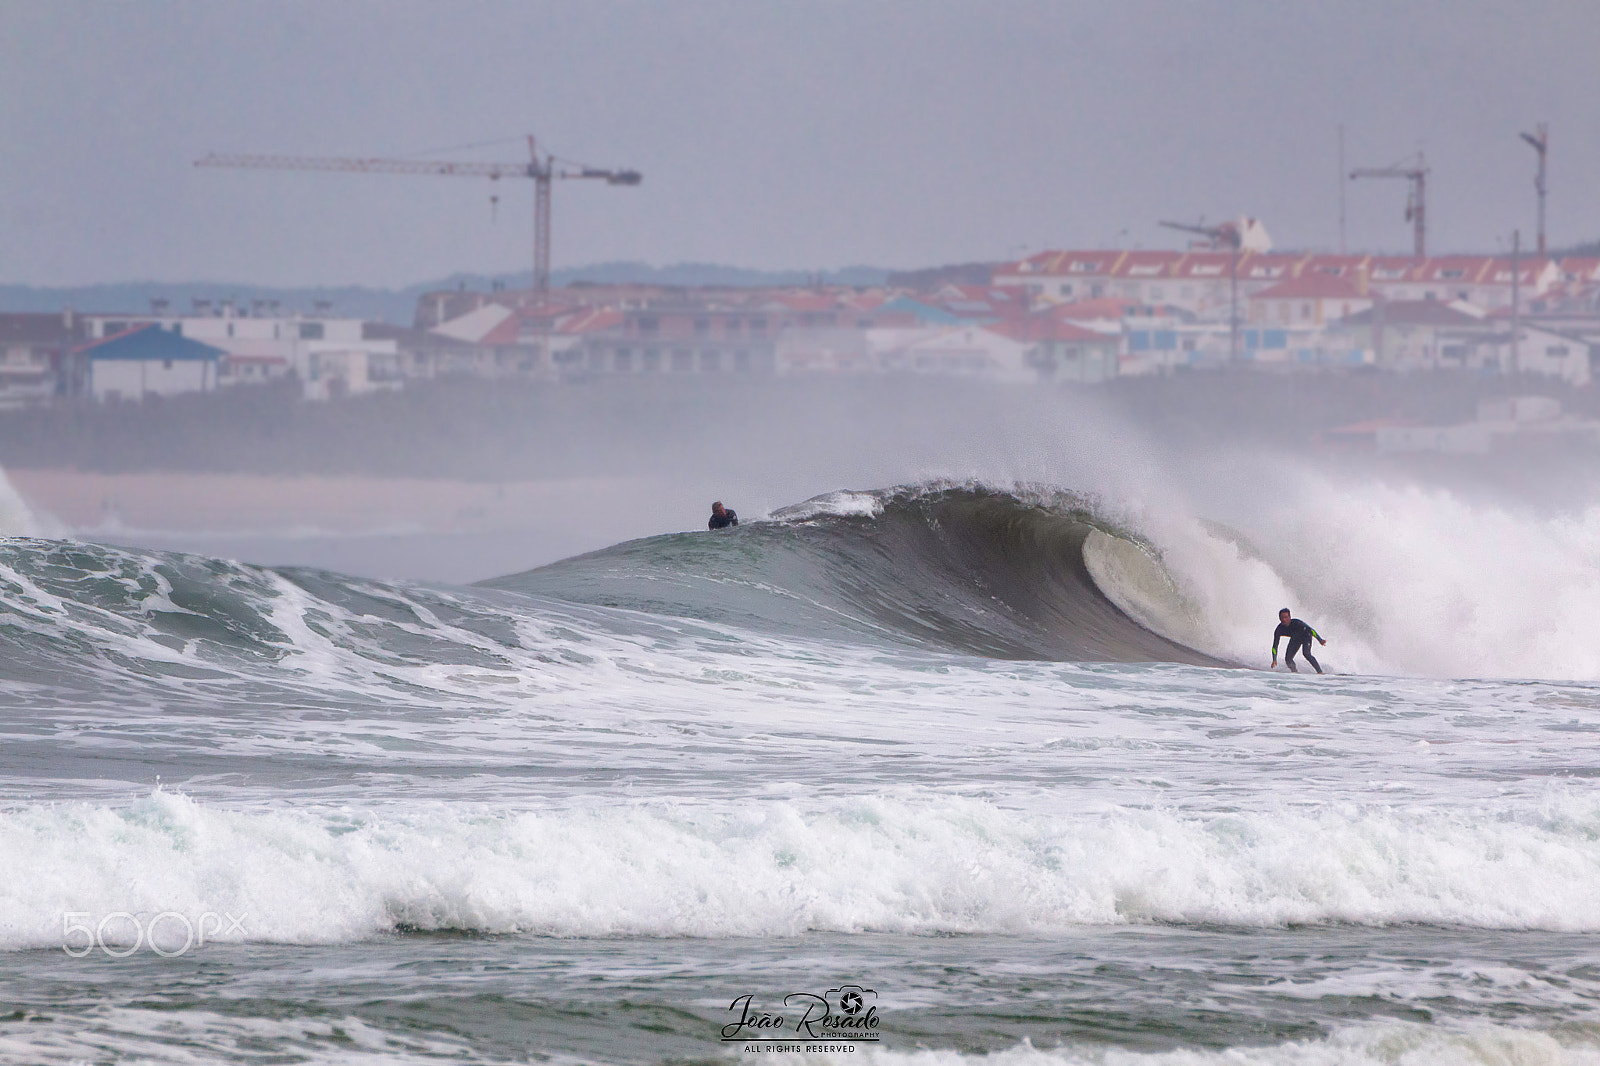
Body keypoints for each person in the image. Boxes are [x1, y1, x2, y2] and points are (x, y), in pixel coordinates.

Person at [1271, 608, 1326, 673]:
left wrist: (1319, 639)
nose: (1284, 620)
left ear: (1290, 617)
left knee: (1306, 653)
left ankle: (1320, 672)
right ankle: (1295, 672)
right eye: (1282, 617)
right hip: (1296, 639)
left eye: (1286, 617)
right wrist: (1274, 659)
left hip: (1306, 636)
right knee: (1288, 659)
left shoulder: (1297, 623)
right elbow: (1275, 646)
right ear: (1279, 618)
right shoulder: (1279, 629)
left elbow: (1311, 630)